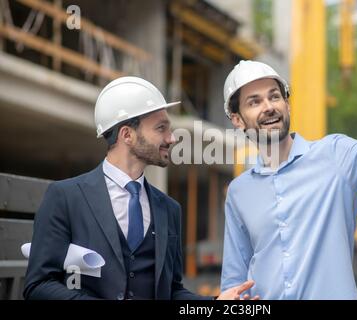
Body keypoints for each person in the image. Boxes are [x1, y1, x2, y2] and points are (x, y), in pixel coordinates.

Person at [220, 46, 357, 299]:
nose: (268, 107)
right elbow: (233, 280)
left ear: (286, 103)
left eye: (274, 96)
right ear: (237, 120)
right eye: (254, 102)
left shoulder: (336, 155)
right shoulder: (239, 192)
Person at [24, 76, 255, 300]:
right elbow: (39, 285)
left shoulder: (169, 209)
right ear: (127, 134)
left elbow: (172, 291)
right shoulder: (66, 197)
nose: (172, 138)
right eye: (161, 128)